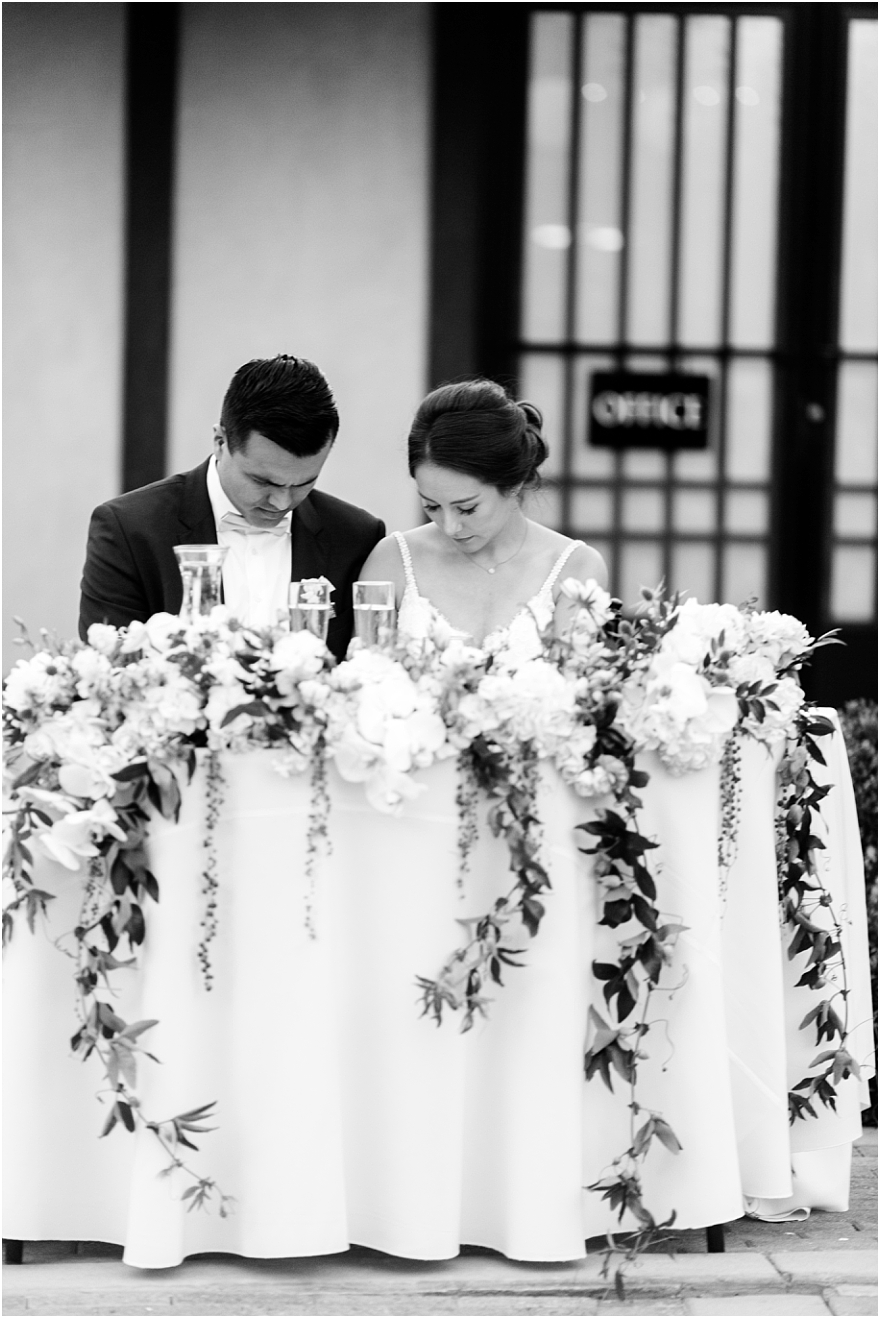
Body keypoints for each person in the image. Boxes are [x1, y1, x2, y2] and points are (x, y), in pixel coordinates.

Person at [79, 355, 385, 661]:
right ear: (220, 441)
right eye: (263, 481)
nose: (281, 502)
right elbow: (111, 671)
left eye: (303, 483)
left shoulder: (356, 536)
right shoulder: (129, 528)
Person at [359, 378, 607, 648]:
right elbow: (363, 673)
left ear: (514, 484)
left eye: (467, 508)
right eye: (431, 506)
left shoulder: (575, 567)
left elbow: (576, 681)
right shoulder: (391, 560)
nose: (450, 526)